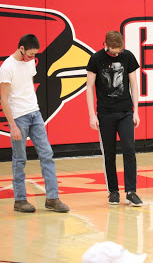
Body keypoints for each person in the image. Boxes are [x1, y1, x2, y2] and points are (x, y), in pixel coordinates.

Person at [0, 34, 69, 213]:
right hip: (18, 117)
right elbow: (4, 99)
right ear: (21, 48)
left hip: (34, 113)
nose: (32, 58)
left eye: (34, 55)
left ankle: (52, 198)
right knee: (19, 159)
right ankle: (20, 200)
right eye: (30, 54)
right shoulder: (7, 67)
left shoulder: (30, 62)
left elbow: (29, 85)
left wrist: (35, 108)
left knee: (47, 154)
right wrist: (12, 125)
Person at [86, 31, 143, 206]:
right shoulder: (95, 59)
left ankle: (131, 191)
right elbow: (89, 87)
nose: (116, 54)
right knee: (109, 153)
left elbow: (133, 83)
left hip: (125, 111)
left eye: (119, 51)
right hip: (105, 113)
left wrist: (136, 111)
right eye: (113, 51)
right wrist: (91, 114)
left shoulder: (128, 57)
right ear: (106, 44)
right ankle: (113, 191)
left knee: (129, 149)